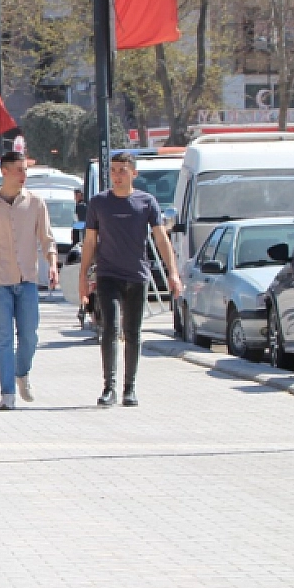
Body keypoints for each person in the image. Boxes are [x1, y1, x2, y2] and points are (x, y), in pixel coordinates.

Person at [79, 152, 182, 408]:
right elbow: (90, 241)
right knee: (109, 329)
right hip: (108, 275)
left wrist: (173, 273)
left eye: (122, 170)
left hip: (137, 275)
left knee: (133, 333)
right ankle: (109, 387)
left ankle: (130, 388)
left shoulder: (146, 202)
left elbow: (161, 238)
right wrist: (83, 276)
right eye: (113, 170)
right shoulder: (99, 203)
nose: (117, 175)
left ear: (134, 173)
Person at [0, 152, 57, 411]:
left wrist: (52, 264)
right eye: (18, 169)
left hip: (27, 280)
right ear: (4, 172)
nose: (23, 175)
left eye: (25, 169)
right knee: (3, 338)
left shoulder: (36, 203)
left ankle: (22, 372)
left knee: (29, 336)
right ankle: (7, 393)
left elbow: (47, 238)